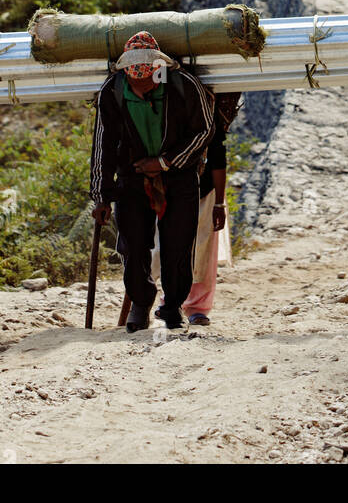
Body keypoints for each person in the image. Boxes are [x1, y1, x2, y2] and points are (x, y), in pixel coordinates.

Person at [90, 30, 214, 332]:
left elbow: (204, 131)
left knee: (178, 246)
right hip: (132, 179)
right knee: (132, 245)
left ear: (159, 69)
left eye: (146, 82)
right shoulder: (113, 90)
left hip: (179, 176)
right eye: (135, 83)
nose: (140, 88)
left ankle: (172, 307)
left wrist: (163, 162)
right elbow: (102, 144)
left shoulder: (184, 85)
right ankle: (142, 302)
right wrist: (101, 196)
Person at [154, 91, 242, 327]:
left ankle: (197, 306)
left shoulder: (208, 123)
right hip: (166, 189)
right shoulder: (162, 120)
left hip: (204, 192)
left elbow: (218, 159)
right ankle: (168, 301)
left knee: (202, 251)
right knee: (165, 248)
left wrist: (219, 203)